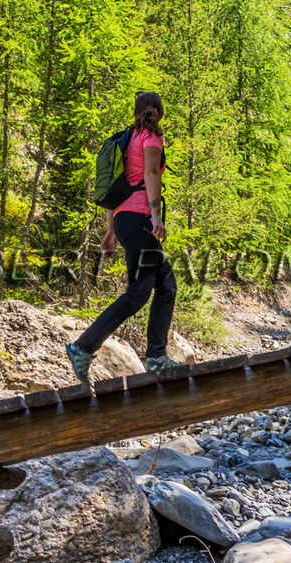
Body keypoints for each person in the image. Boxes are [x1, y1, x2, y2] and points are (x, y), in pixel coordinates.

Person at [67, 91, 185, 382]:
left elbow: (119, 186)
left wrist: (110, 230)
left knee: (166, 285)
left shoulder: (127, 138)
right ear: (160, 112)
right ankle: (83, 347)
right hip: (142, 218)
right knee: (138, 293)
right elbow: (151, 175)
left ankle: (156, 356)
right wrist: (155, 215)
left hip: (124, 218)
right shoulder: (150, 136)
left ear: (135, 111)